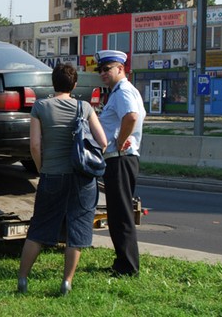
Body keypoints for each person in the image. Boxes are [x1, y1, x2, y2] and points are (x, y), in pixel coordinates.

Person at [17, 63, 107, 296]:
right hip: (81, 179)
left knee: (39, 228)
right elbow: (103, 142)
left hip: (52, 174)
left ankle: (23, 279)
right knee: (76, 231)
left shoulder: (40, 107)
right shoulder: (84, 107)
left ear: (52, 83)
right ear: (74, 84)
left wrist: (42, 168)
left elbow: (35, 145)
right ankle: (66, 282)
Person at [95, 49, 146, 277]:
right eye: (100, 70)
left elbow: (131, 116)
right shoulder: (121, 91)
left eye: (107, 69)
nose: (102, 73)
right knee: (117, 213)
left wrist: (120, 141)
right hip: (120, 159)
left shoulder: (123, 91)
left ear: (120, 69)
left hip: (120, 158)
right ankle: (122, 262)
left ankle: (128, 267)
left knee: (121, 214)